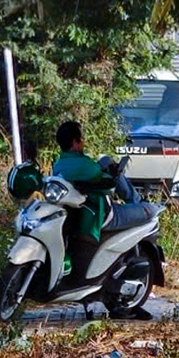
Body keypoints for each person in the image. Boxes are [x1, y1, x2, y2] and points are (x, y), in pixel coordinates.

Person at [52, 118, 112, 277]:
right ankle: (137, 201)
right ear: (75, 142)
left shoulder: (57, 164)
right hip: (92, 213)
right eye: (81, 139)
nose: (83, 142)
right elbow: (102, 177)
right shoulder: (85, 165)